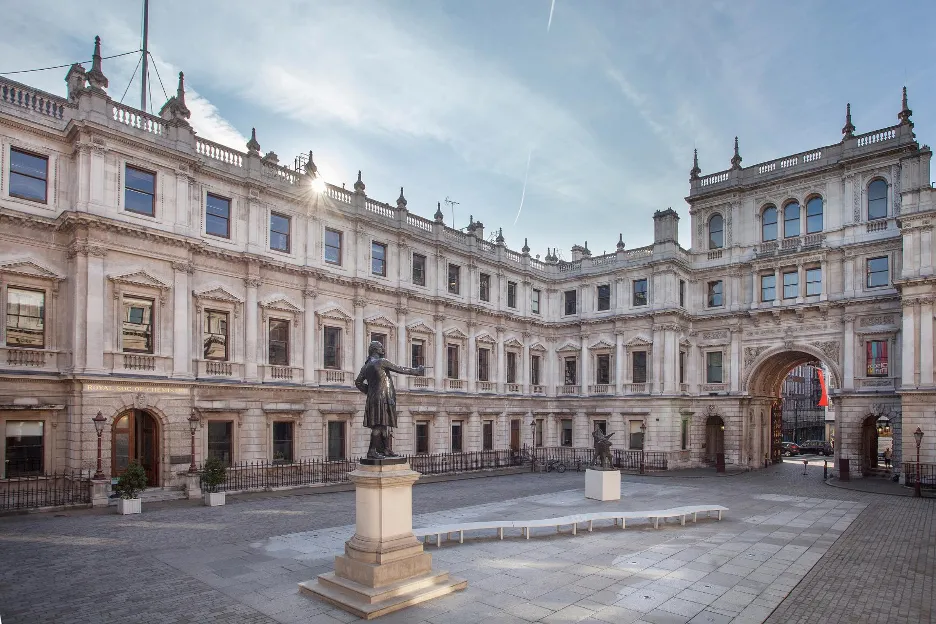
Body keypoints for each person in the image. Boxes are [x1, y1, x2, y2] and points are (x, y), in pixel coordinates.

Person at [355, 340, 425, 460]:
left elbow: (358, 382)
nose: (383, 350)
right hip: (383, 397)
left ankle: (386, 449)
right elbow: (400, 369)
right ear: (376, 350)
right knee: (379, 425)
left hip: (374, 398)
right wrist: (417, 371)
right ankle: (372, 451)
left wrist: (370, 391)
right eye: (381, 347)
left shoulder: (366, 366)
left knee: (383, 424)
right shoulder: (381, 362)